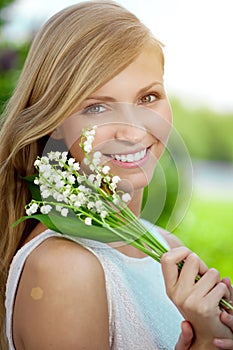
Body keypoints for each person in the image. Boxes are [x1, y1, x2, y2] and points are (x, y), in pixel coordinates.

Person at [0, 1, 232, 349]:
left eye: (148, 97)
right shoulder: (64, 269)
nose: (134, 133)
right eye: (96, 107)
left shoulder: (167, 247)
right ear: (56, 123)